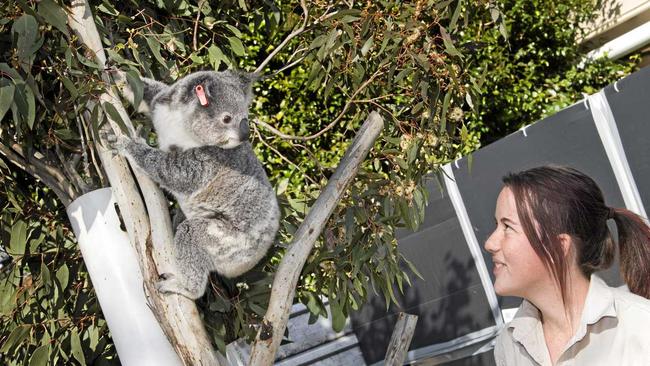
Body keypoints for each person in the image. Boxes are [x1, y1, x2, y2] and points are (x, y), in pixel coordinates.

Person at [485, 165, 650, 366]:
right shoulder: (509, 345)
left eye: (508, 227)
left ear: (559, 245)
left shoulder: (641, 328)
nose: (490, 244)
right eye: (497, 225)